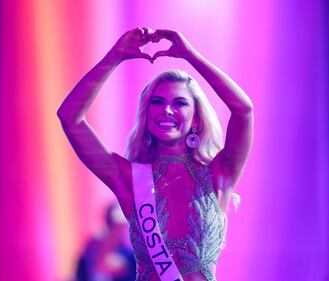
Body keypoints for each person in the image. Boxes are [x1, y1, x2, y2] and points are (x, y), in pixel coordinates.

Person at [57, 27, 254, 281]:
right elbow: (70, 118)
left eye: (180, 103)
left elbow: (244, 111)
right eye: (157, 103)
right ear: (147, 115)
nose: (167, 111)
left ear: (196, 119)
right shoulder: (129, 177)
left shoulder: (218, 173)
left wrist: (191, 56)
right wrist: (114, 56)